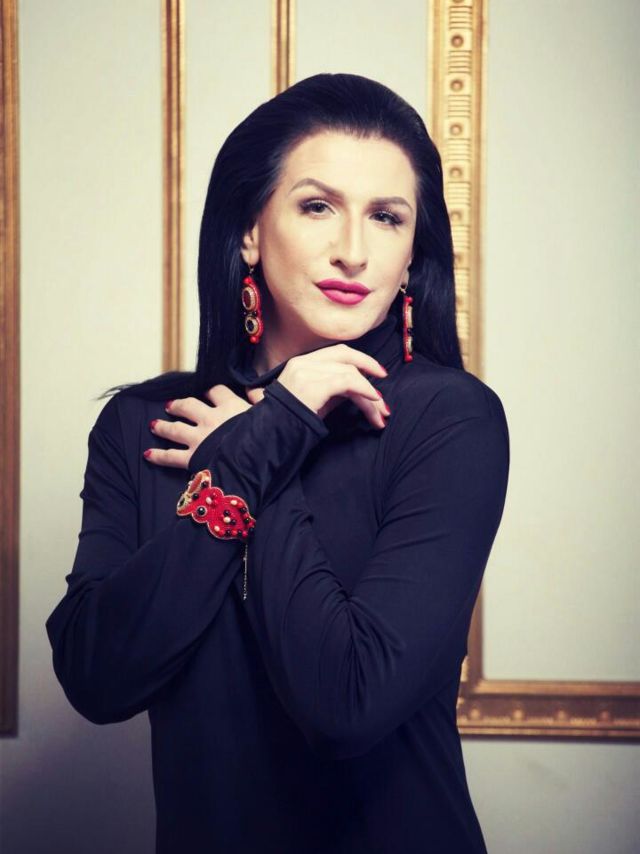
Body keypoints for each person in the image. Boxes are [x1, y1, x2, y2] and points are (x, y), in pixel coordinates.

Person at [46, 73, 509, 853]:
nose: (353, 251)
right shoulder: (146, 426)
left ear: (410, 258)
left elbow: (346, 704)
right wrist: (259, 439)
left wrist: (262, 446)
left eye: (387, 217)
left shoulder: (448, 420)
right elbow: (98, 677)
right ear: (250, 233)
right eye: (317, 206)